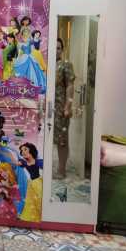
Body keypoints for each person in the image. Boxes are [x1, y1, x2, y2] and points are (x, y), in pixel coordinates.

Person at [54, 37, 75, 179]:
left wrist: (68, 106)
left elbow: (70, 86)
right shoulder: (44, 64)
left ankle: (61, 170)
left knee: (62, 140)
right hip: (46, 108)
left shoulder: (66, 65)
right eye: (54, 48)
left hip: (60, 109)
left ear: (62, 50)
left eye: (58, 48)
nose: (56, 51)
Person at [18, 143, 43, 222]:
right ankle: (31, 218)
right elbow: (17, 163)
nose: (23, 152)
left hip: (38, 183)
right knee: (30, 201)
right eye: (22, 151)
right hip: (31, 184)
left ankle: (40, 216)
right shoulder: (24, 163)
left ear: (31, 150)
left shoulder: (38, 162)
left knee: (39, 199)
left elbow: (46, 167)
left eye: (25, 149)